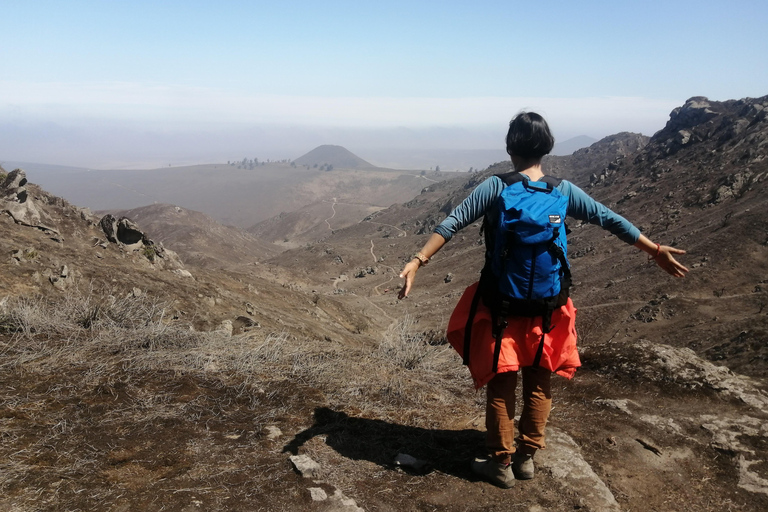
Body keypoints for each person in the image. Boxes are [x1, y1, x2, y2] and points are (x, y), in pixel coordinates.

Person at [397, 112, 688, 488]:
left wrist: (418, 260)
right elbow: (610, 219)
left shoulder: (496, 187)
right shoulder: (562, 190)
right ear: (547, 147)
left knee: (502, 380)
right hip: (548, 306)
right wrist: (655, 250)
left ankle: (499, 463)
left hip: (502, 304)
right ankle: (527, 458)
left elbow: (452, 222)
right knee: (538, 378)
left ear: (510, 146)